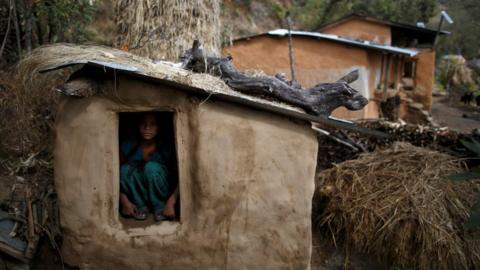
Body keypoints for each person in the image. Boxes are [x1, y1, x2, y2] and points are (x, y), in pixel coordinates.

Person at [119, 113, 178, 221]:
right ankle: (140, 206)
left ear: (159, 127)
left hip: (163, 193)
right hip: (137, 195)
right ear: (137, 125)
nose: (147, 128)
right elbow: (113, 175)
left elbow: (182, 178)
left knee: (151, 168)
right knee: (124, 169)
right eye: (143, 123)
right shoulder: (128, 145)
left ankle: (159, 206)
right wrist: (124, 202)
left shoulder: (167, 147)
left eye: (153, 124)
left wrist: (171, 202)